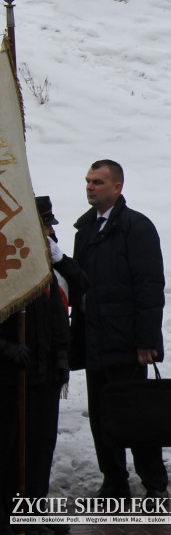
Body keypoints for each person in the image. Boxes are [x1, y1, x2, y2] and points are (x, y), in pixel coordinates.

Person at [71, 160, 168, 498]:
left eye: (97, 182)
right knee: (102, 417)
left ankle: (155, 485)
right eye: (87, 181)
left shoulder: (136, 227)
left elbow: (149, 287)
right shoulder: (84, 230)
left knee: (136, 416)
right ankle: (114, 482)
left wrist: (146, 341)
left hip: (126, 343)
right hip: (95, 340)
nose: (90, 187)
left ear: (117, 187)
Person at [1, 197, 82, 535]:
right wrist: (4, 347)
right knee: (8, 445)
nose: (49, 232)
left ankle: (33, 507)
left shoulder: (49, 262)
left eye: (50, 227)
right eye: (44, 226)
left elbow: (75, 293)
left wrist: (60, 259)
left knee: (40, 444)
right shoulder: (11, 259)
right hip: (11, 374)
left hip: (46, 372)